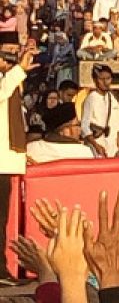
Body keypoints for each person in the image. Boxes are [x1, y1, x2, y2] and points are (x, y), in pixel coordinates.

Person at [0, 35, 34, 282]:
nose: (9, 58)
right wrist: (18, 70)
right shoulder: (8, 82)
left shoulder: (10, 82)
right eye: (6, 53)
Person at [26, 102, 95, 163]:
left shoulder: (31, 148)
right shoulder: (84, 152)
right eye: (77, 125)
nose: (80, 129)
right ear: (64, 131)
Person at [80, 63, 119, 157]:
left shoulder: (113, 98)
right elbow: (84, 126)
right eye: (101, 79)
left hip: (112, 144)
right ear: (95, 80)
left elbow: (116, 125)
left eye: (108, 78)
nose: (105, 82)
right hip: (97, 143)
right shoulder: (91, 98)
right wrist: (95, 145)